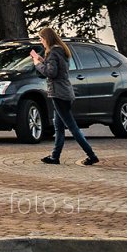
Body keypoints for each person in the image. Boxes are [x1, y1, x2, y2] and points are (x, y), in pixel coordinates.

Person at [33, 26, 97, 166]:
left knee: (72, 128)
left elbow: (51, 73)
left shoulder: (53, 52)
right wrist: (42, 60)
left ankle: (91, 155)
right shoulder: (61, 50)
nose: (41, 41)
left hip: (59, 94)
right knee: (59, 127)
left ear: (47, 39)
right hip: (65, 92)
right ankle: (55, 157)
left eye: (41, 39)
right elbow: (56, 69)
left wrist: (38, 64)